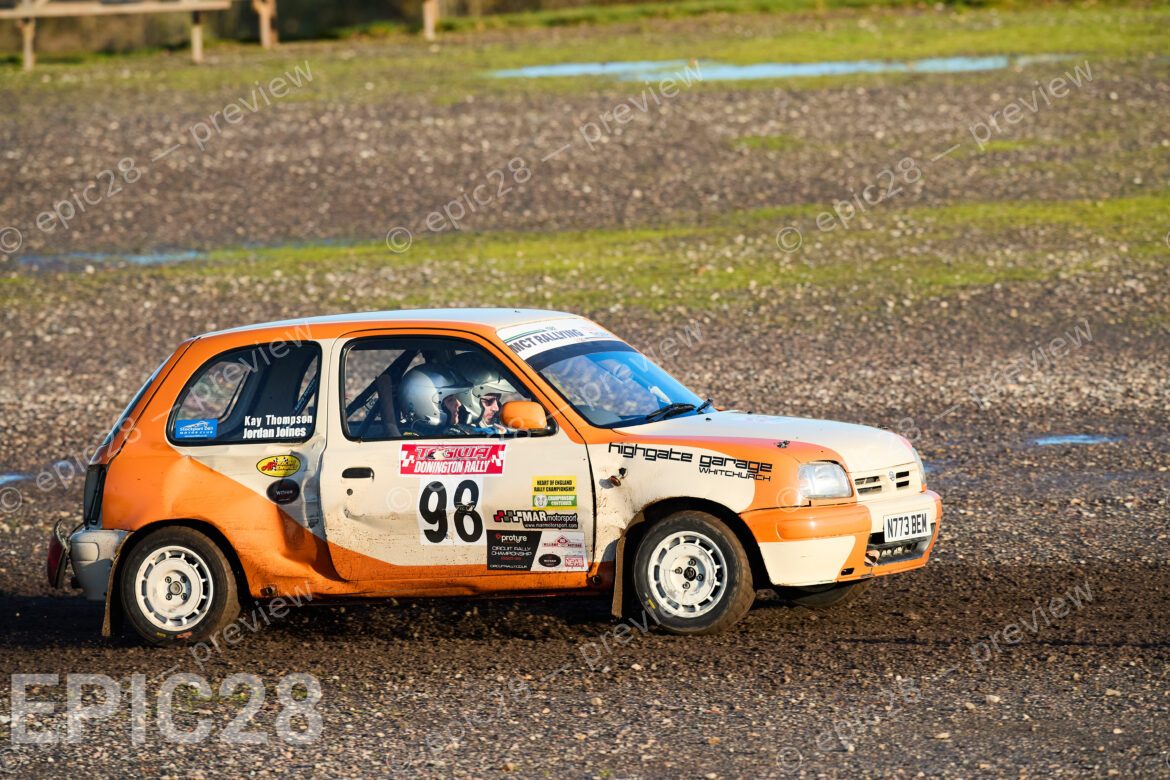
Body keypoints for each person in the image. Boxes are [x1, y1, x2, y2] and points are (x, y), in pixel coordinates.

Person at [397, 364, 475, 436]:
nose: (458, 404)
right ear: (424, 403)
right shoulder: (411, 439)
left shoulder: (459, 430)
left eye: (456, 398)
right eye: (450, 400)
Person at [452, 352, 518, 433]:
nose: (496, 408)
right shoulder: (451, 433)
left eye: (497, 400)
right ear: (464, 399)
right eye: (488, 401)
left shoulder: (498, 427)